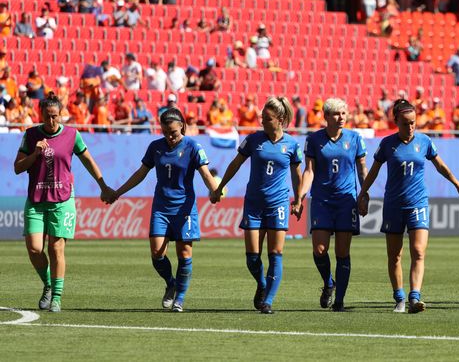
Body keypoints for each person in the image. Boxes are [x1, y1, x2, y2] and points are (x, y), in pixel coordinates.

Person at [356, 99, 459, 313]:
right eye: (406, 123)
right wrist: (363, 193)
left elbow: (440, 166)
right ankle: (399, 297)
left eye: (413, 123)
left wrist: (457, 183)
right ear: (396, 121)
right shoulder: (387, 144)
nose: (410, 127)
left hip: (417, 202)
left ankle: (415, 297)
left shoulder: (424, 142)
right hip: (393, 204)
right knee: (395, 255)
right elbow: (374, 171)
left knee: (418, 251)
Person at [108, 108, 217, 312]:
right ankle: (171, 283)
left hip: (184, 208)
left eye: (173, 133)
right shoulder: (155, 147)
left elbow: (205, 173)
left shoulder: (193, 146)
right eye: (165, 132)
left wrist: (215, 191)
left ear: (182, 127)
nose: (169, 137)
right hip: (161, 207)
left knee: (184, 253)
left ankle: (180, 299)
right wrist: (118, 192)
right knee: (157, 253)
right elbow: (140, 174)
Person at [14, 97, 113, 312]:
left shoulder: (71, 135)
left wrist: (103, 185)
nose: (51, 120)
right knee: (34, 248)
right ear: (41, 114)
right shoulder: (31, 135)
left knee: (56, 248)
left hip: (63, 199)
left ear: (61, 114)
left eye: (55, 116)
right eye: (47, 116)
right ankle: (48, 284)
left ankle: (56, 297)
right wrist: (35, 153)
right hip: (37, 200)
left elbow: (88, 160)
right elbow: (18, 168)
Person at [210, 97, 303, 314]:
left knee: (275, 253)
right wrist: (219, 186)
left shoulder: (291, 144)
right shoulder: (253, 140)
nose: (262, 121)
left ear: (280, 119)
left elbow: (296, 174)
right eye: (262, 117)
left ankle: (268, 301)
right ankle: (262, 284)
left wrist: (298, 200)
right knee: (252, 256)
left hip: (278, 203)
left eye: (267, 118)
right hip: (254, 203)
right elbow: (235, 164)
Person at [292, 98, 368, 312]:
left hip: (346, 201)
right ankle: (328, 282)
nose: (341, 117)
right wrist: (299, 197)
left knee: (342, 253)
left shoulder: (355, 138)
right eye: (336, 114)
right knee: (319, 249)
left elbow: (362, 170)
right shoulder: (314, 140)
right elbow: (309, 171)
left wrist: (364, 194)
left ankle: (340, 301)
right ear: (325, 116)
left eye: (343, 113)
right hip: (322, 201)